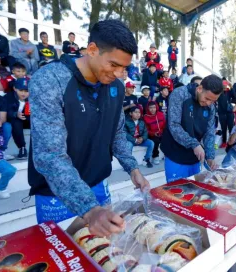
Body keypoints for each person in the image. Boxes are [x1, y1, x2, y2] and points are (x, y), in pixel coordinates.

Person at [28, 19, 150, 236]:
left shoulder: (117, 88)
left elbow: (117, 131)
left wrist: (133, 168)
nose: (118, 73)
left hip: (98, 185)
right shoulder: (51, 79)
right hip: (56, 193)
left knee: (106, 255)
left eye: (124, 67)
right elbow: (50, 155)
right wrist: (89, 209)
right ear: (92, 50)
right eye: (113, 65)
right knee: (65, 260)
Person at [161, 75, 222, 182]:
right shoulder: (180, 94)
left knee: (195, 193)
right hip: (176, 155)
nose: (208, 103)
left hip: (195, 157)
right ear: (199, 89)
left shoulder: (210, 107)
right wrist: (193, 144)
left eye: (213, 101)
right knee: (177, 192)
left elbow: (209, 133)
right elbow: (174, 125)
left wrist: (210, 157)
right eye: (207, 99)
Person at [6, 78, 30, 160]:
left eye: (26, 91)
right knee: (16, 122)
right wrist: (15, 114)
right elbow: (4, 111)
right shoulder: (8, 97)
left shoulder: (33, 98)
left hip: (28, 119)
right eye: (21, 90)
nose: (24, 93)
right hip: (15, 120)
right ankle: (22, 148)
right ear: (15, 88)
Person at [217, 80, 234, 149]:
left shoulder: (229, 92)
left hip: (229, 112)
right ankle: (224, 142)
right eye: (223, 84)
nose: (224, 86)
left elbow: (235, 96)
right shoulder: (219, 92)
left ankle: (231, 141)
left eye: (225, 84)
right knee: (223, 128)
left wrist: (231, 87)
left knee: (231, 128)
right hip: (221, 113)